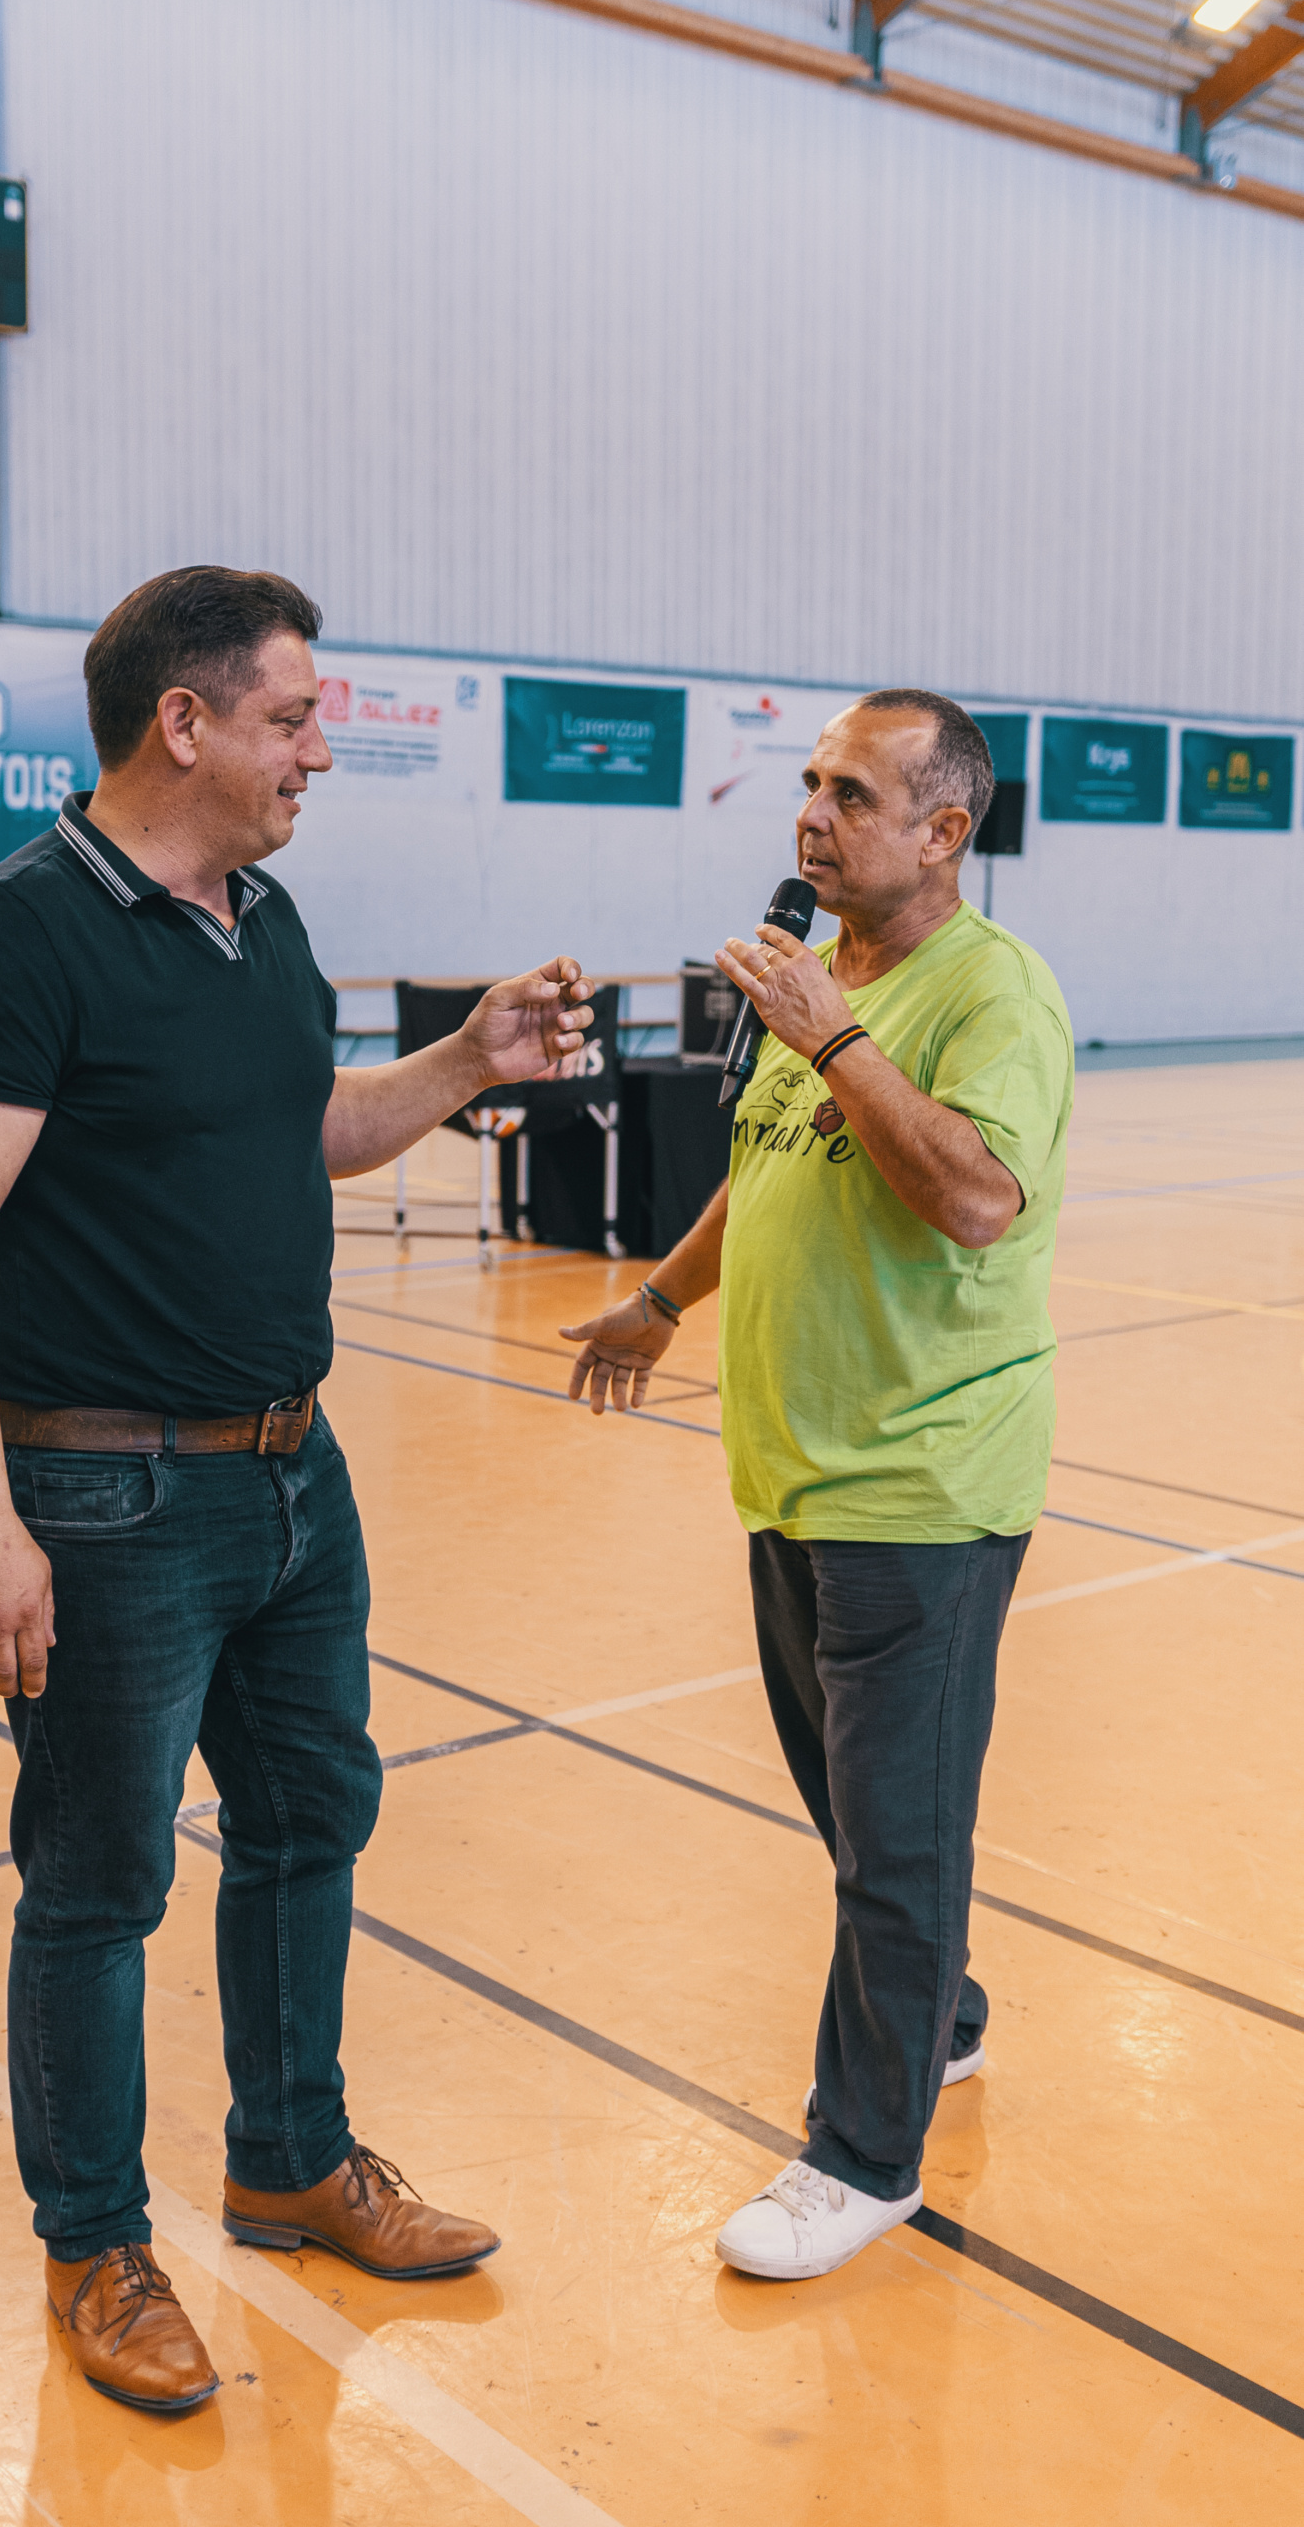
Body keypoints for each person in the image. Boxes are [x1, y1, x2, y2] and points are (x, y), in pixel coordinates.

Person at [0, 565, 595, 2413]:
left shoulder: (259, 918)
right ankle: (95, 2246)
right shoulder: (11, 939)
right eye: (292, 716)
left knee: (309, 1820)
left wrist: (466, 1059)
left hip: (292, 1474)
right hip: (106, 1500)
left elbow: (308, 1131)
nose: (320, 750)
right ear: (181, 723)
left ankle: (290, 2159)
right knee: (99, 1882)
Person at [561, 689, 1072, 2282]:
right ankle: (944, 2018)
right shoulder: (822, 982)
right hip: (792, 1476)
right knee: (857, 1812)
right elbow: (768, 1166)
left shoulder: (989, 995)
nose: (811, 815)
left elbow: (977, 1200)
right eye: (809, 784)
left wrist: (836, 1042)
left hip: (920, 1484)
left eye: (852, 793)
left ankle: (863, 2157)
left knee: (896, 1839)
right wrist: (662, 1298)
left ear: (944, 829)